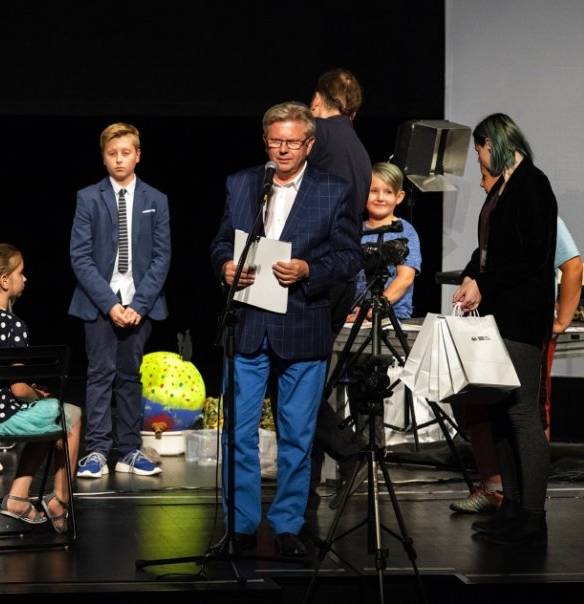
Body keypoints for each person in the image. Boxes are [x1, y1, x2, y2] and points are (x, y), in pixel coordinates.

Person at [210, 101, 361, 556]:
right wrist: (225, 266)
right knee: (239, 433)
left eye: (292, 142)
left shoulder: (332, 190)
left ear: (309, 144)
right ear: (265, 140)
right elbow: (220, 242)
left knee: (297, 435)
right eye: (276, 141)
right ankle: (240, 525)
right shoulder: (242, 183)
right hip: (247, 324)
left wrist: (309, 269)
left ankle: (288, 525)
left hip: (302, 325)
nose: (283, 150)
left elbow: (349, 257)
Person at [450, 164, 581, 514]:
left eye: (485, 176)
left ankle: (527, 500)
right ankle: (496, 489)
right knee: (482, 403)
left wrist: (562, 318)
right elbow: (484, 263)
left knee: (528, 412)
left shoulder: (536, 213)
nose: (481, 184)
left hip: (524, 330)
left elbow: (572, 265)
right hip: (493, 329)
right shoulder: (496, 219)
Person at [452, 113, 556, 545]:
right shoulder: (503, 189)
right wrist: (470, 274)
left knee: (521, 413)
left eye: (478, 149)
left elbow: (532, 256)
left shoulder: (532, 184)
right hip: (498, 317)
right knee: (499, 411)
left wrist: (485, 282)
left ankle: (533, 515)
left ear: (493, 143)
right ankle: (512, 505)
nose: (478, 159)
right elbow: (489, 250)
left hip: (521, 318)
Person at [0, 243, 82, 532]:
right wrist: (37, 394)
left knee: (46, 415)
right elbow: (19, 390)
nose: (25, 278)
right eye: (21, 273)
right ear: (4, 281)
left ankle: (19, 498)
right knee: (70, 415)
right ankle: (60, 499)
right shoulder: (12, 325)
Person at [69, 122, 171, 478]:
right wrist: (109, 304)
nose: (119, 159)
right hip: (101, 302)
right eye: (112, 153)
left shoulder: (156, 200)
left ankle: (129, 449)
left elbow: (161, 257)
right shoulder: (88, 197)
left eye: (126, 152)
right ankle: (97, 450)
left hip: (139, 303)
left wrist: (138, 306)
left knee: (130, 376)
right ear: (103, 157)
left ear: (138, 155)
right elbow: (80, 256)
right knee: (100, 375)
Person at [306, 68, 372, 507]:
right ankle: (305, 489)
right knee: (307, 379)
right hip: (343, 276)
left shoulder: (320, 134)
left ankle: (350, 452)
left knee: (295, 380)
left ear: (319, 99)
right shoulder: (360, 150)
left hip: (316, 275)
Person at [349, 162, 422, 322]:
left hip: (392, 316)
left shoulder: (405, 231)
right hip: (355, 316)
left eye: (388, 192)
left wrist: (372, 311)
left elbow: (405, 278)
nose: (380, 198)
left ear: (399, 197)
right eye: (373, 191)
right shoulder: (354, 230)